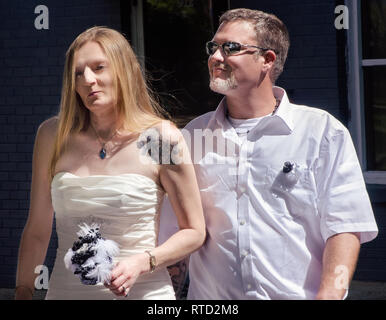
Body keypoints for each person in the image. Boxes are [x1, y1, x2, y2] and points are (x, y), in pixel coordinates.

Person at [159, 8, 378, 300]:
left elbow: (345, 228)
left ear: (267, 59)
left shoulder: (322, 131)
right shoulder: (190, 138)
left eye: (231, 48)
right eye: (213, 47)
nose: (216, 57)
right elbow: (178, 232)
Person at [15, 26, 205, 300]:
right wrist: (23, 291)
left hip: (145, 294)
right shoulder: (51, 136)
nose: (87, 80)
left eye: (98, 67)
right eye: (78, 73)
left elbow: (194, 231)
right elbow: (37, 230)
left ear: (124, 70)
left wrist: (144, 261)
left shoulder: (160, 138)